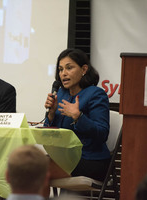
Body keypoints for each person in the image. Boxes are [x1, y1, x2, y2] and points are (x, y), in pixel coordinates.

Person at [43, 49, 110, 195]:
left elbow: (102, 133)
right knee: (26, 165)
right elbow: (50, 134)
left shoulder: (96, 94)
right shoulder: (61, 94)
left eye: (69, 67)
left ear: (84, 69)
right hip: (65, 157)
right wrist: (51, 114)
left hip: (91, 160)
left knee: (36, 171)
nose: (63, 74)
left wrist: (78, 117)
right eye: (60, 69)